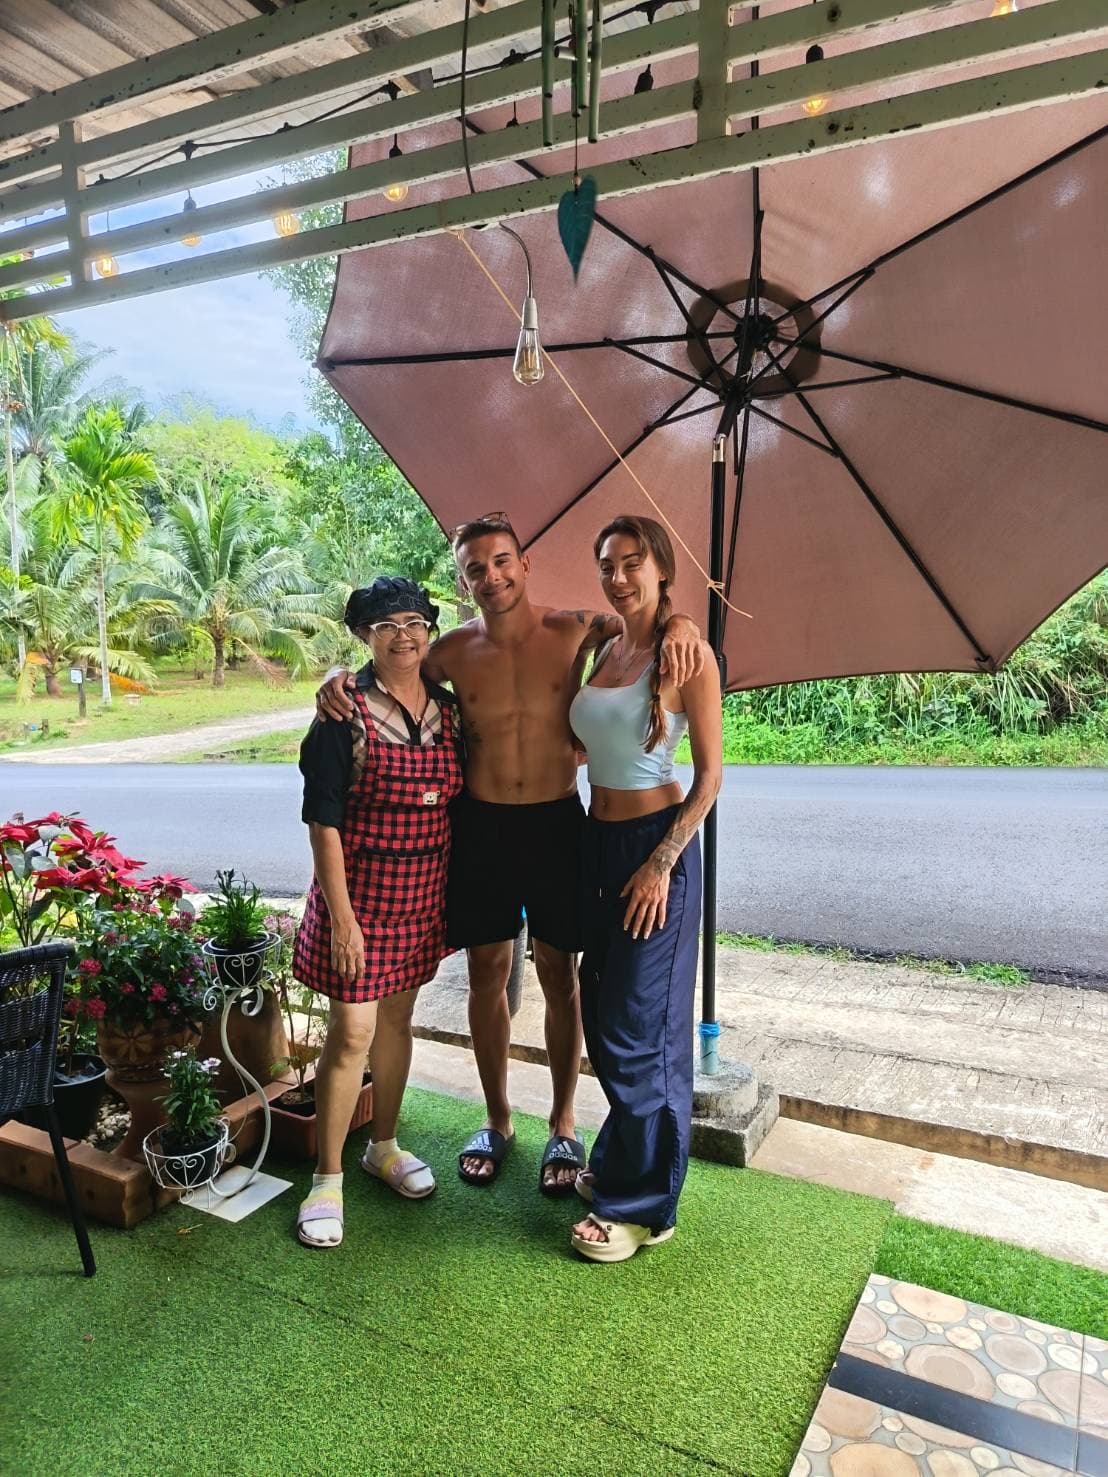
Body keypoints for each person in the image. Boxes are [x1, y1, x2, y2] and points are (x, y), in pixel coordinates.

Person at [315, 513, 704, 1195]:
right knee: (487, 971)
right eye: (474, 569)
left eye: (501, 562)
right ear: (462, 582)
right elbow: (390, 663)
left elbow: (649, 620)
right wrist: (336, 676)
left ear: (524, 565)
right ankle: (496, 1118)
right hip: (483, 826)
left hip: (559, 823)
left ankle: (562, 1119)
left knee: (561, 972)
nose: (490, 576)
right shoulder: (452, 651)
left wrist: (684, 627)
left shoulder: (579, 628)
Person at [567, 515, 722, 1263]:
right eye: (608, 563)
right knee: (602, 1010)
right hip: (595, 844)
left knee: (640, 1027)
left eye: (634, 562)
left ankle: (646, 1207)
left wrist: (661, 860)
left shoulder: (686, 650)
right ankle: (624, 1157)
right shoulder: (604, 644)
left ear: (662, 568)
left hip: (650, 850)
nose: (619, 575)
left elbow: (711, 778)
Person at [293, 577, 464, 1249]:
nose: (404, 633)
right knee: (354, 1030)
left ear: (429, 629)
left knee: (398, 1020)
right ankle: (327, 1177)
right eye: (388, 623)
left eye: (416, 620)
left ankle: (383, 1146)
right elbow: (322, 822)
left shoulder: (450, 712)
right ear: (365, 634)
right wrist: (342, 919)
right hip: (358, 898)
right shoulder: (342, 713)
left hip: (422, 895)